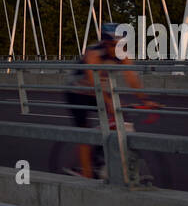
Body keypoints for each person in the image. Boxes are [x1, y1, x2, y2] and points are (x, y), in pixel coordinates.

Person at [63, 22, 156, 178]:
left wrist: (145, 100)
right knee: (84, 132)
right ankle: (85, 173)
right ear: (105, 43)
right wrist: (109, 101)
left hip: (98, 91)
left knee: (120, 120)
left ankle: (104, 156)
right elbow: (93, 82)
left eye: (121, 45)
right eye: (113, 45)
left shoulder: (121, 53)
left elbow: (132, 78)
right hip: (77, 92)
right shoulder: (93, 53)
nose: (117, 49)